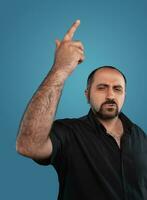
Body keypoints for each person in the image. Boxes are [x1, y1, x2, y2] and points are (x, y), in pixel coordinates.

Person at [16, 20, 147, 200]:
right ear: (87, 95)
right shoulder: (69, 133)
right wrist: (60, 69)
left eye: (117, 89)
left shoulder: (140, 136)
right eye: (101, 88)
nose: (110, 95)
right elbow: (28, 146)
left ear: (125, 94)